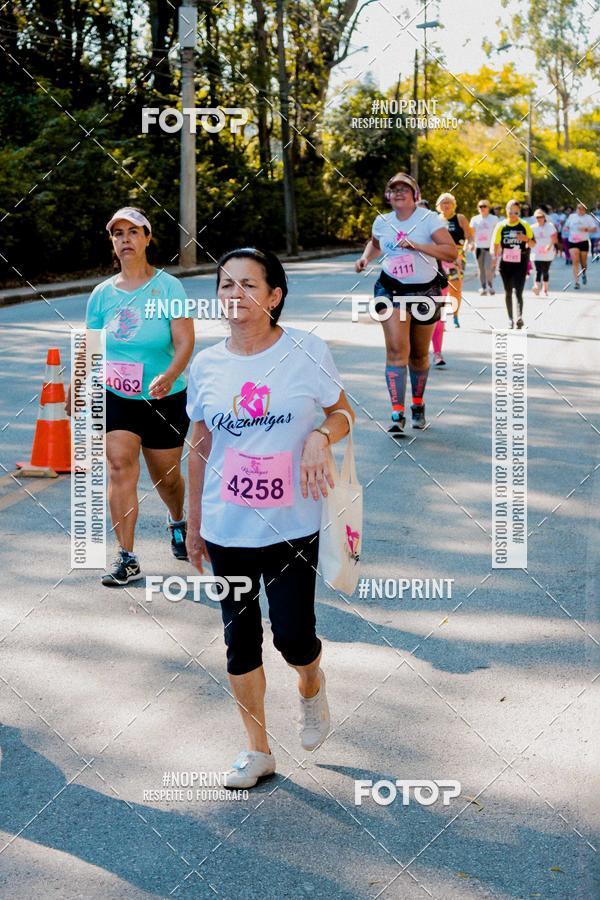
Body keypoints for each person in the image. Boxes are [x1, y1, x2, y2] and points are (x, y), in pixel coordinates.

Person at [185, 247, 355, 789]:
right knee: (240, 639)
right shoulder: (208, 364)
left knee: (294, 637)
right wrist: (192, 522)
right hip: (226, 524)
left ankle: (310, 683)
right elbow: (200, 443)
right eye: (226, 286)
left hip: (292, 526)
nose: (235, 296)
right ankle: (257, 750)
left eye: (249, 286)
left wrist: (318, 436)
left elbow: (343, 412)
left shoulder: (306, 351)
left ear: (275, 296)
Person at [67, 206, 195, 586]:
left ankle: (177, 520)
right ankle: (127, 556)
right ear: (112, 242)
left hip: (165, 396)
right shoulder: (101, 294)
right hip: (116, 396)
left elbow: (185, 340)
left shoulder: (169, 287)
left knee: (166, 477)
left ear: (147, 238)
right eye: (118, 233)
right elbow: (92, 344)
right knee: (120, 467)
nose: (125, 239)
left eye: (133, 232)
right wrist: (76, 385)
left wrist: (170, 374)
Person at [355, 173, 457, 434]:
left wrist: (418, 246)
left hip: (425, 292)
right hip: (391, 290)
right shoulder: (382, 221)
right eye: (393, 189)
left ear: (416, 195)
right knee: (397, 350)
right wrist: (366, 259)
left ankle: (418, 405)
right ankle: (396, 413)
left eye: (405, 189)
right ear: (388, 196)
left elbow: (450, 251)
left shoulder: (428, 220)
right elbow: (376, 244)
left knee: (420, 355)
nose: (399, 192)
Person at [492, 199, 535, 329]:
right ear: (506, 211)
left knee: (519, 292)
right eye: (510, 211)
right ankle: (510, 319)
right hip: (505, 264)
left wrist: (526, 239)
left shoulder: (524, 225)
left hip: (520, 263)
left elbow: (533, 244)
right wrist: (494, 261)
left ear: (519, 212)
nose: (513, 214)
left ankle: (519, 317)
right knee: (508, 292)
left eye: (516, 212)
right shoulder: (501, 226)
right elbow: (495, 245)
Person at [436, 192, 473, 328]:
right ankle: (441, 319)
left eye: (448, 202)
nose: (446, 205)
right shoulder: (436, 220)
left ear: (453, 205)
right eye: (443, 202)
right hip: (440, 256)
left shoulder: (460, 218)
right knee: (440, 288)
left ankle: (455, 315)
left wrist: (466, 248)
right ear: (438, 205)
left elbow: (469, 237)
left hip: (457, 255)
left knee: (455, 288)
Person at [469, 199, 499, 296]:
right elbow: (471, 233)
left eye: (484, 206)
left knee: (488, 267)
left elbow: (498, 233)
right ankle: (483, 287)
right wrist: (471, 243)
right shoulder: (475, 219)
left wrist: (498, 246)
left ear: (488, 208)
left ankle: (490, 285)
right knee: (480, 268)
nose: (482, 208)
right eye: (480, 206)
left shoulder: (494, 219)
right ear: (478, 208)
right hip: (478, 247)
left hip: (490, 247)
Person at [564, 202, 596, 288]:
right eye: (579, 208)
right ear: (576, 209)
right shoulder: (572, 217)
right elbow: (566, 226)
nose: (580, 210)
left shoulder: (588, 218)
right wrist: (566, 228)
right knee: (575, 261)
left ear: (585, 209)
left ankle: (584, 273)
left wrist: (586, 229)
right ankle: (576, 282)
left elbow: (594, 229)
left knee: (583, 262)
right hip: (573, 242)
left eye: (582, 208)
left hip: (583, 242)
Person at [531, 208, 558, 296]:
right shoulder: (533, 227)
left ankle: (545, 289)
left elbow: (554, 238)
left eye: (541, 217)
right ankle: (537, 287)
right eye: (537, 217)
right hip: (536, 252)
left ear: (544, 217)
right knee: (538, 270)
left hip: (548, 252)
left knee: (545, 271)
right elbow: (530, 240)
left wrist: (549, 247)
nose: (539, 219)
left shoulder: (550, 226)